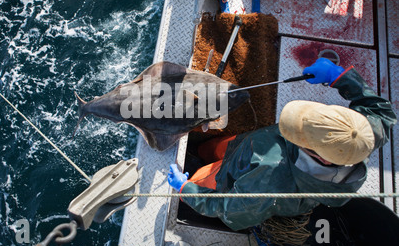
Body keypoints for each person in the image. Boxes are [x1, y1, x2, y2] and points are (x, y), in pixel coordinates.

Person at [167, 58, 397, 232]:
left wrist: (186, 188)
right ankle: (202, 152)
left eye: (302, 133)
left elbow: (230, 211)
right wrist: (338, 76)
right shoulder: (359, 135)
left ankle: (191, 181)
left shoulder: (271, 183)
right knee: (211, 147)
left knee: (198, 178)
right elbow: (382, 112)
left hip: (232, 177)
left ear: (321, 157)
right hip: (246, 146)